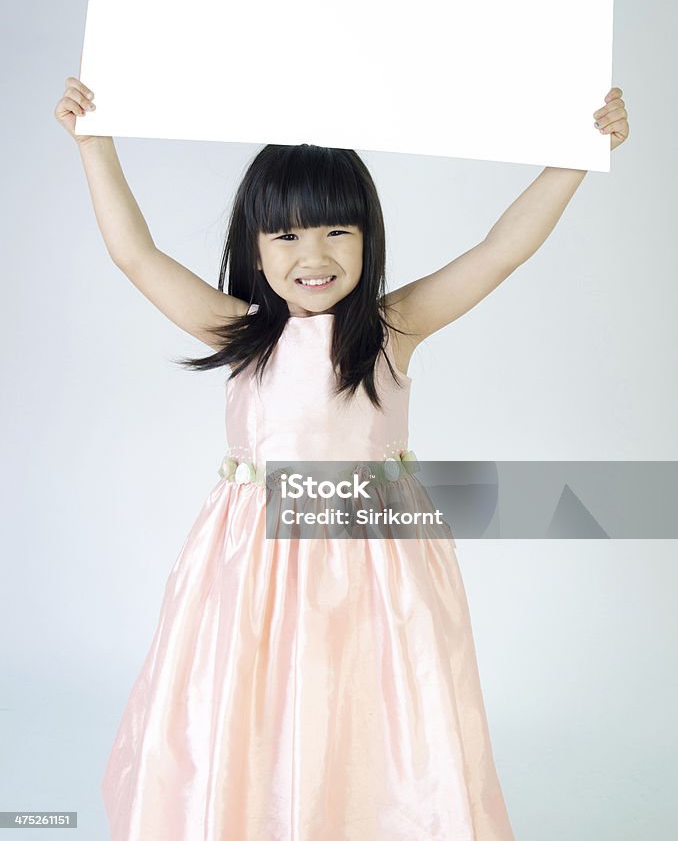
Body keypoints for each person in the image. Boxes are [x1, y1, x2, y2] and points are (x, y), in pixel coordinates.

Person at [54, 75, 629, 840]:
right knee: (255, 706)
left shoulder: (394, 328)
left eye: (335, 232)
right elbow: (134, 254)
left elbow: (501, 252)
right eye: (285, 236)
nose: (312, 256)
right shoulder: (239, 333)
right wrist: (95, 142)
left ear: (368, 238)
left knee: (376, 707)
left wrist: (576, 154)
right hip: (254, 570)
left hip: (377, 571)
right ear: (253, 249)